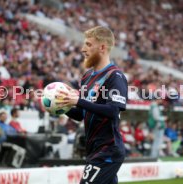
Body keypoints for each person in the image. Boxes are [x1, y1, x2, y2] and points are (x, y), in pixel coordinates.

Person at [55, 26, 128, 184]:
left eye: (88, 44)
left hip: (108, 149)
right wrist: (60, 106)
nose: (83, 49)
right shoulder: (86, 77)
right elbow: (81, 114)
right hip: (93, 149)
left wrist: (78, 100)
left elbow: (113, 111)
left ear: (102, 47)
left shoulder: (114, 76)